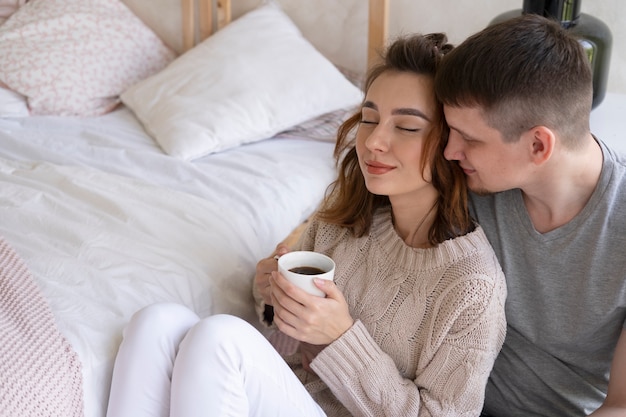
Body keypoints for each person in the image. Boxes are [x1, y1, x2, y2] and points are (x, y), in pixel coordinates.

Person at [106, 33, 507, 417]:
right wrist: (273, 299)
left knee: (219, 340)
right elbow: (286, 350)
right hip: (291, 400)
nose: (373, 142)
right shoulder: (344, 218)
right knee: (155, 323)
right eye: (369, 119)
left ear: (450, 143)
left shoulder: (472, 286)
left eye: (405, 127)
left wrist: (342, 338)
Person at [434, 13, 626, 417]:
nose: (451, 151)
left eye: (469, 138)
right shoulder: (473, 182)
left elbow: (621, 406)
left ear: (539, 145)